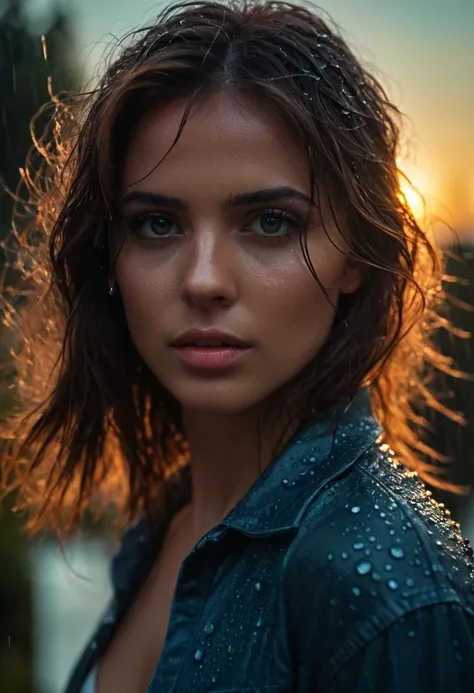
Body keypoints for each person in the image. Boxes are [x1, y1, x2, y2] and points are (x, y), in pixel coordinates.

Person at [2, 1, 474, 691]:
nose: (203, 280)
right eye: (158, 223)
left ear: (357, 257)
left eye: (271, 222)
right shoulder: (167, 526)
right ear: (111, 257)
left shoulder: (392, 592)